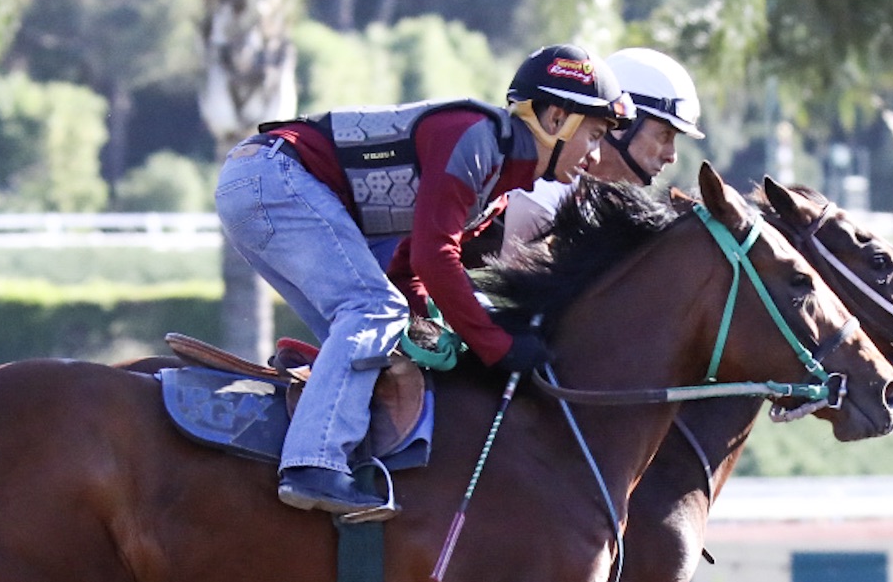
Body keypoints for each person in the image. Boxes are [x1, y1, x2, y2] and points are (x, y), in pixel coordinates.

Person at [214, 44, 630, 518]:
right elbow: (435, 257)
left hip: (261, 182)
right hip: (272, 177)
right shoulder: (476, 141)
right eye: (595, 135)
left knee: (376, 336)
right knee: (373, 312)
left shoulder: (494, 188)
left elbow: (408, 266)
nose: (595, 156)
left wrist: (424, 326)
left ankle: (345, 459)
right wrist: (497, 346)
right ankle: (313, 464)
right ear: (556, 119)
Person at [498, 47, 705, 260]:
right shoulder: (549, 176)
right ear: (623, 124)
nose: (672, 156)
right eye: (665, 135)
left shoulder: (592, 195)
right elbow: (517, 268)